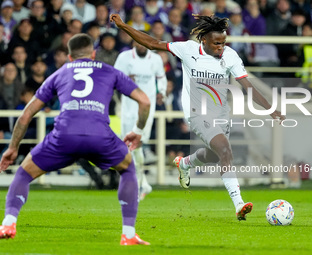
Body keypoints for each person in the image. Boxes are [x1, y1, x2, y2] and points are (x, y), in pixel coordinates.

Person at [110, 13, 285, 221]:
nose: (220, 47)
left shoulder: (230, 56)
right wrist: (123, 26)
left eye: (223, 43)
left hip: (220, 113)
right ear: (204, 40)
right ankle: (239, 203)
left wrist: (270, 108)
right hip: (197, 113)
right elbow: (152, 43)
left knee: (215, 155)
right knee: (225, 150)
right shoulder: (188, 49)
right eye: (216, 43)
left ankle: (185, 163)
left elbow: (248, 87)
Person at [0, 33, 151, 245]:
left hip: (64, 137)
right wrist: (138, 130)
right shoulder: (110, 71)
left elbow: (26, 114)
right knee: (128, 169)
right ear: (94, 54)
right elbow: (144, 101)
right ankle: (128, 233)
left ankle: (8, 222)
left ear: (70, 57)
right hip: (100, 136)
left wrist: (12, 148)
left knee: (23, 173)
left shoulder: (60, 73)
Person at [114, 37, 167, 200]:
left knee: (138, 143)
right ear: (133, 43)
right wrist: (125, 80)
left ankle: (138, 183)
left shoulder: (156, 59)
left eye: (143, 42)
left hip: (146, 109)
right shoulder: (124, 58)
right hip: (128, 108)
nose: (140, 45)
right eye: (137, 42)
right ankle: (141, 183)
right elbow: (114, 77)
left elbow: (161, 78)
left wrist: (162, 93)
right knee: (129, 144)